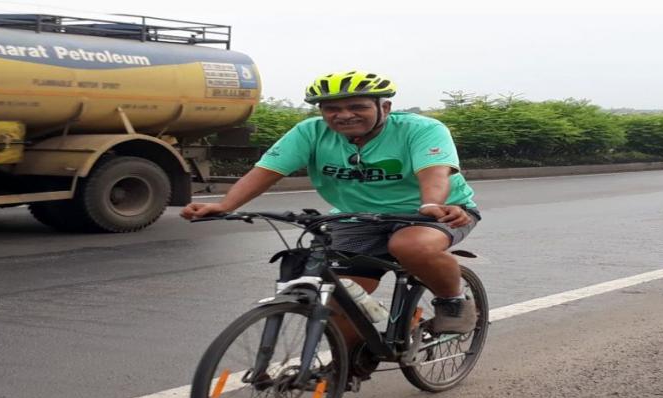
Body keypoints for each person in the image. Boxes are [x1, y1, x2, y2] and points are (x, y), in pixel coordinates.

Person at [181, 70, 480, 339]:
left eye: (358, 106)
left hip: (433, 213)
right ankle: (353, 363)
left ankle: (452, 301)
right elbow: (266, 172)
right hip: (357, 219)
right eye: (332, 109)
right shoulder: (309, 132)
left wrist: (431, 204)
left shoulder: (421, 129)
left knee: (411, 246)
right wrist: (225, 206)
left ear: (385, 107)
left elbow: (433, 171)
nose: (344, 115)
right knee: (337, 299)